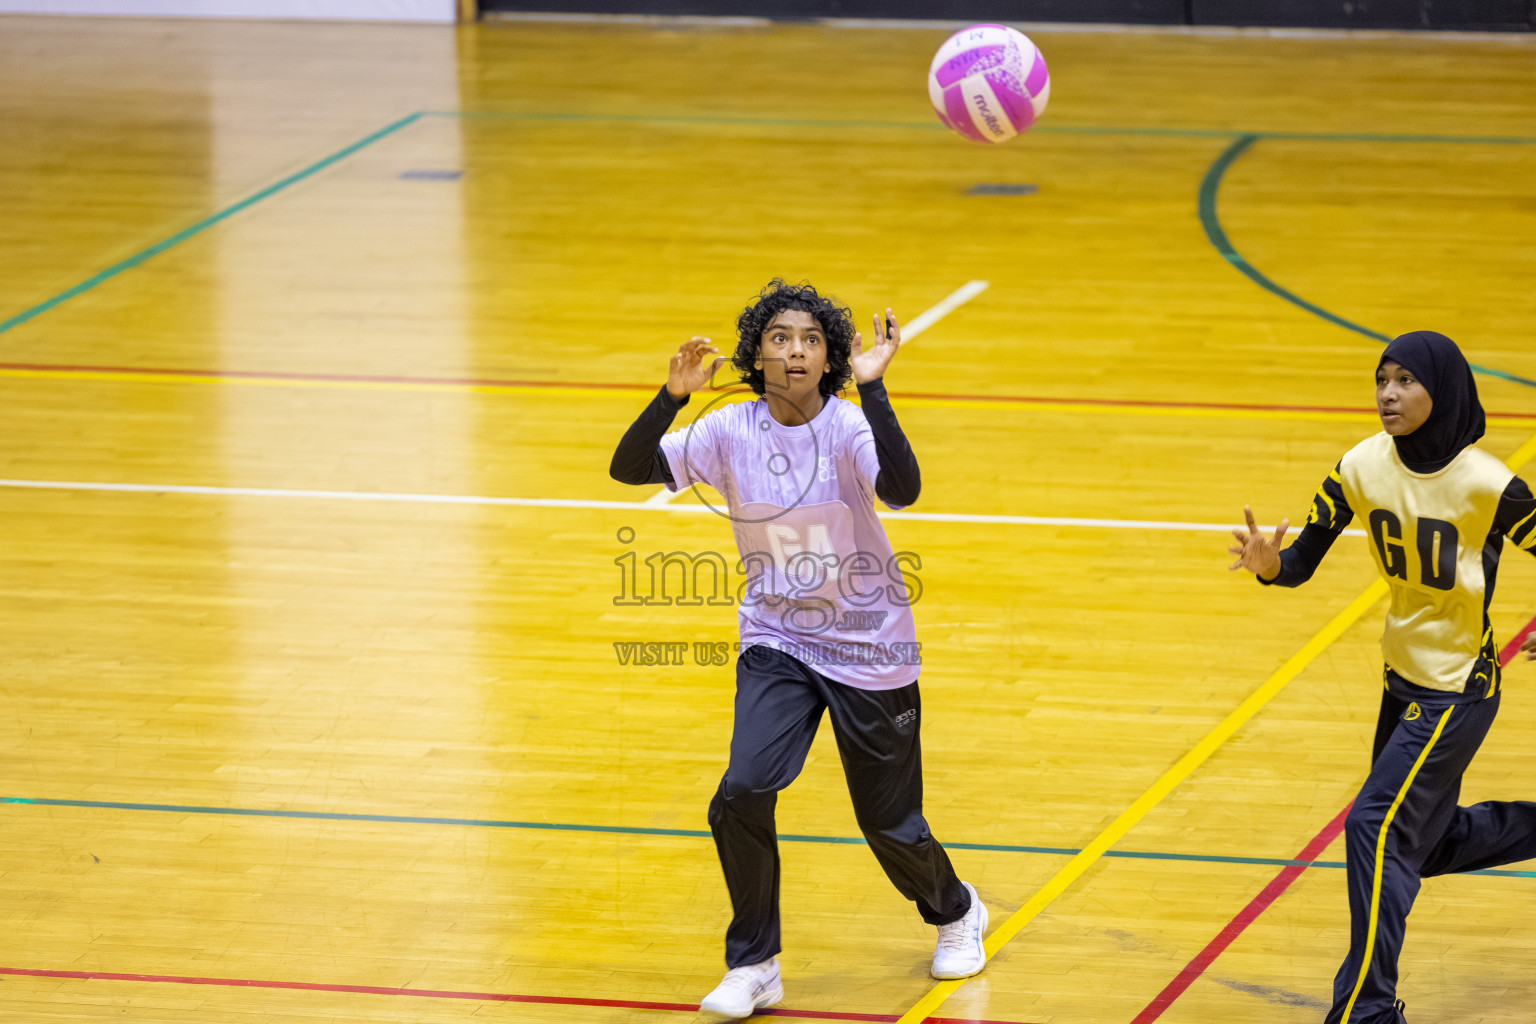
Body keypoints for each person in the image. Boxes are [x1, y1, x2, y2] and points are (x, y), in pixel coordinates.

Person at [610, 280, 987, 1020]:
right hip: (778, 637)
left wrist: (874, 389)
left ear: (827, 359)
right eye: (780, 337)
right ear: (757, 355)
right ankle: (755, 964)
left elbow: (904, 490)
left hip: (870, 644)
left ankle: (956, 908)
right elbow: (630, 468)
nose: (795, 351)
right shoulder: (729, 429)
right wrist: (671, 397)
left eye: (811, 340)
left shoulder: (847, 426)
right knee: (741, 791)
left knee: (888, 824)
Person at [1229, 331, 1536, 1024]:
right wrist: (1271, 565)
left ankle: (1366, 1012)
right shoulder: (1359, 465)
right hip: (1402, 678)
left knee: (1375, 826)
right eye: (1381, 380)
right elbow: (1302, 559)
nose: (1387, 395)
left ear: (1442, 390)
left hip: (1458, 687)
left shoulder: (1490, 485)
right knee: (1425, 843)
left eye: (1405, 381)